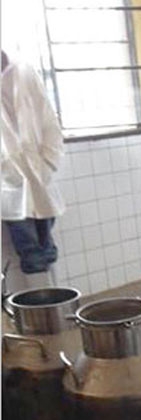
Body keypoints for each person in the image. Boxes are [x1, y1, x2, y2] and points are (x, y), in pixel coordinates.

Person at [1, 50, 64, 282]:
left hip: (39, 173)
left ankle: (53, 308)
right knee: (31, 254)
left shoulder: (24, 72)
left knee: (47, 249)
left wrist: (48, 161)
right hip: (10, 183)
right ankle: (41, 313)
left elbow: (48, 119)